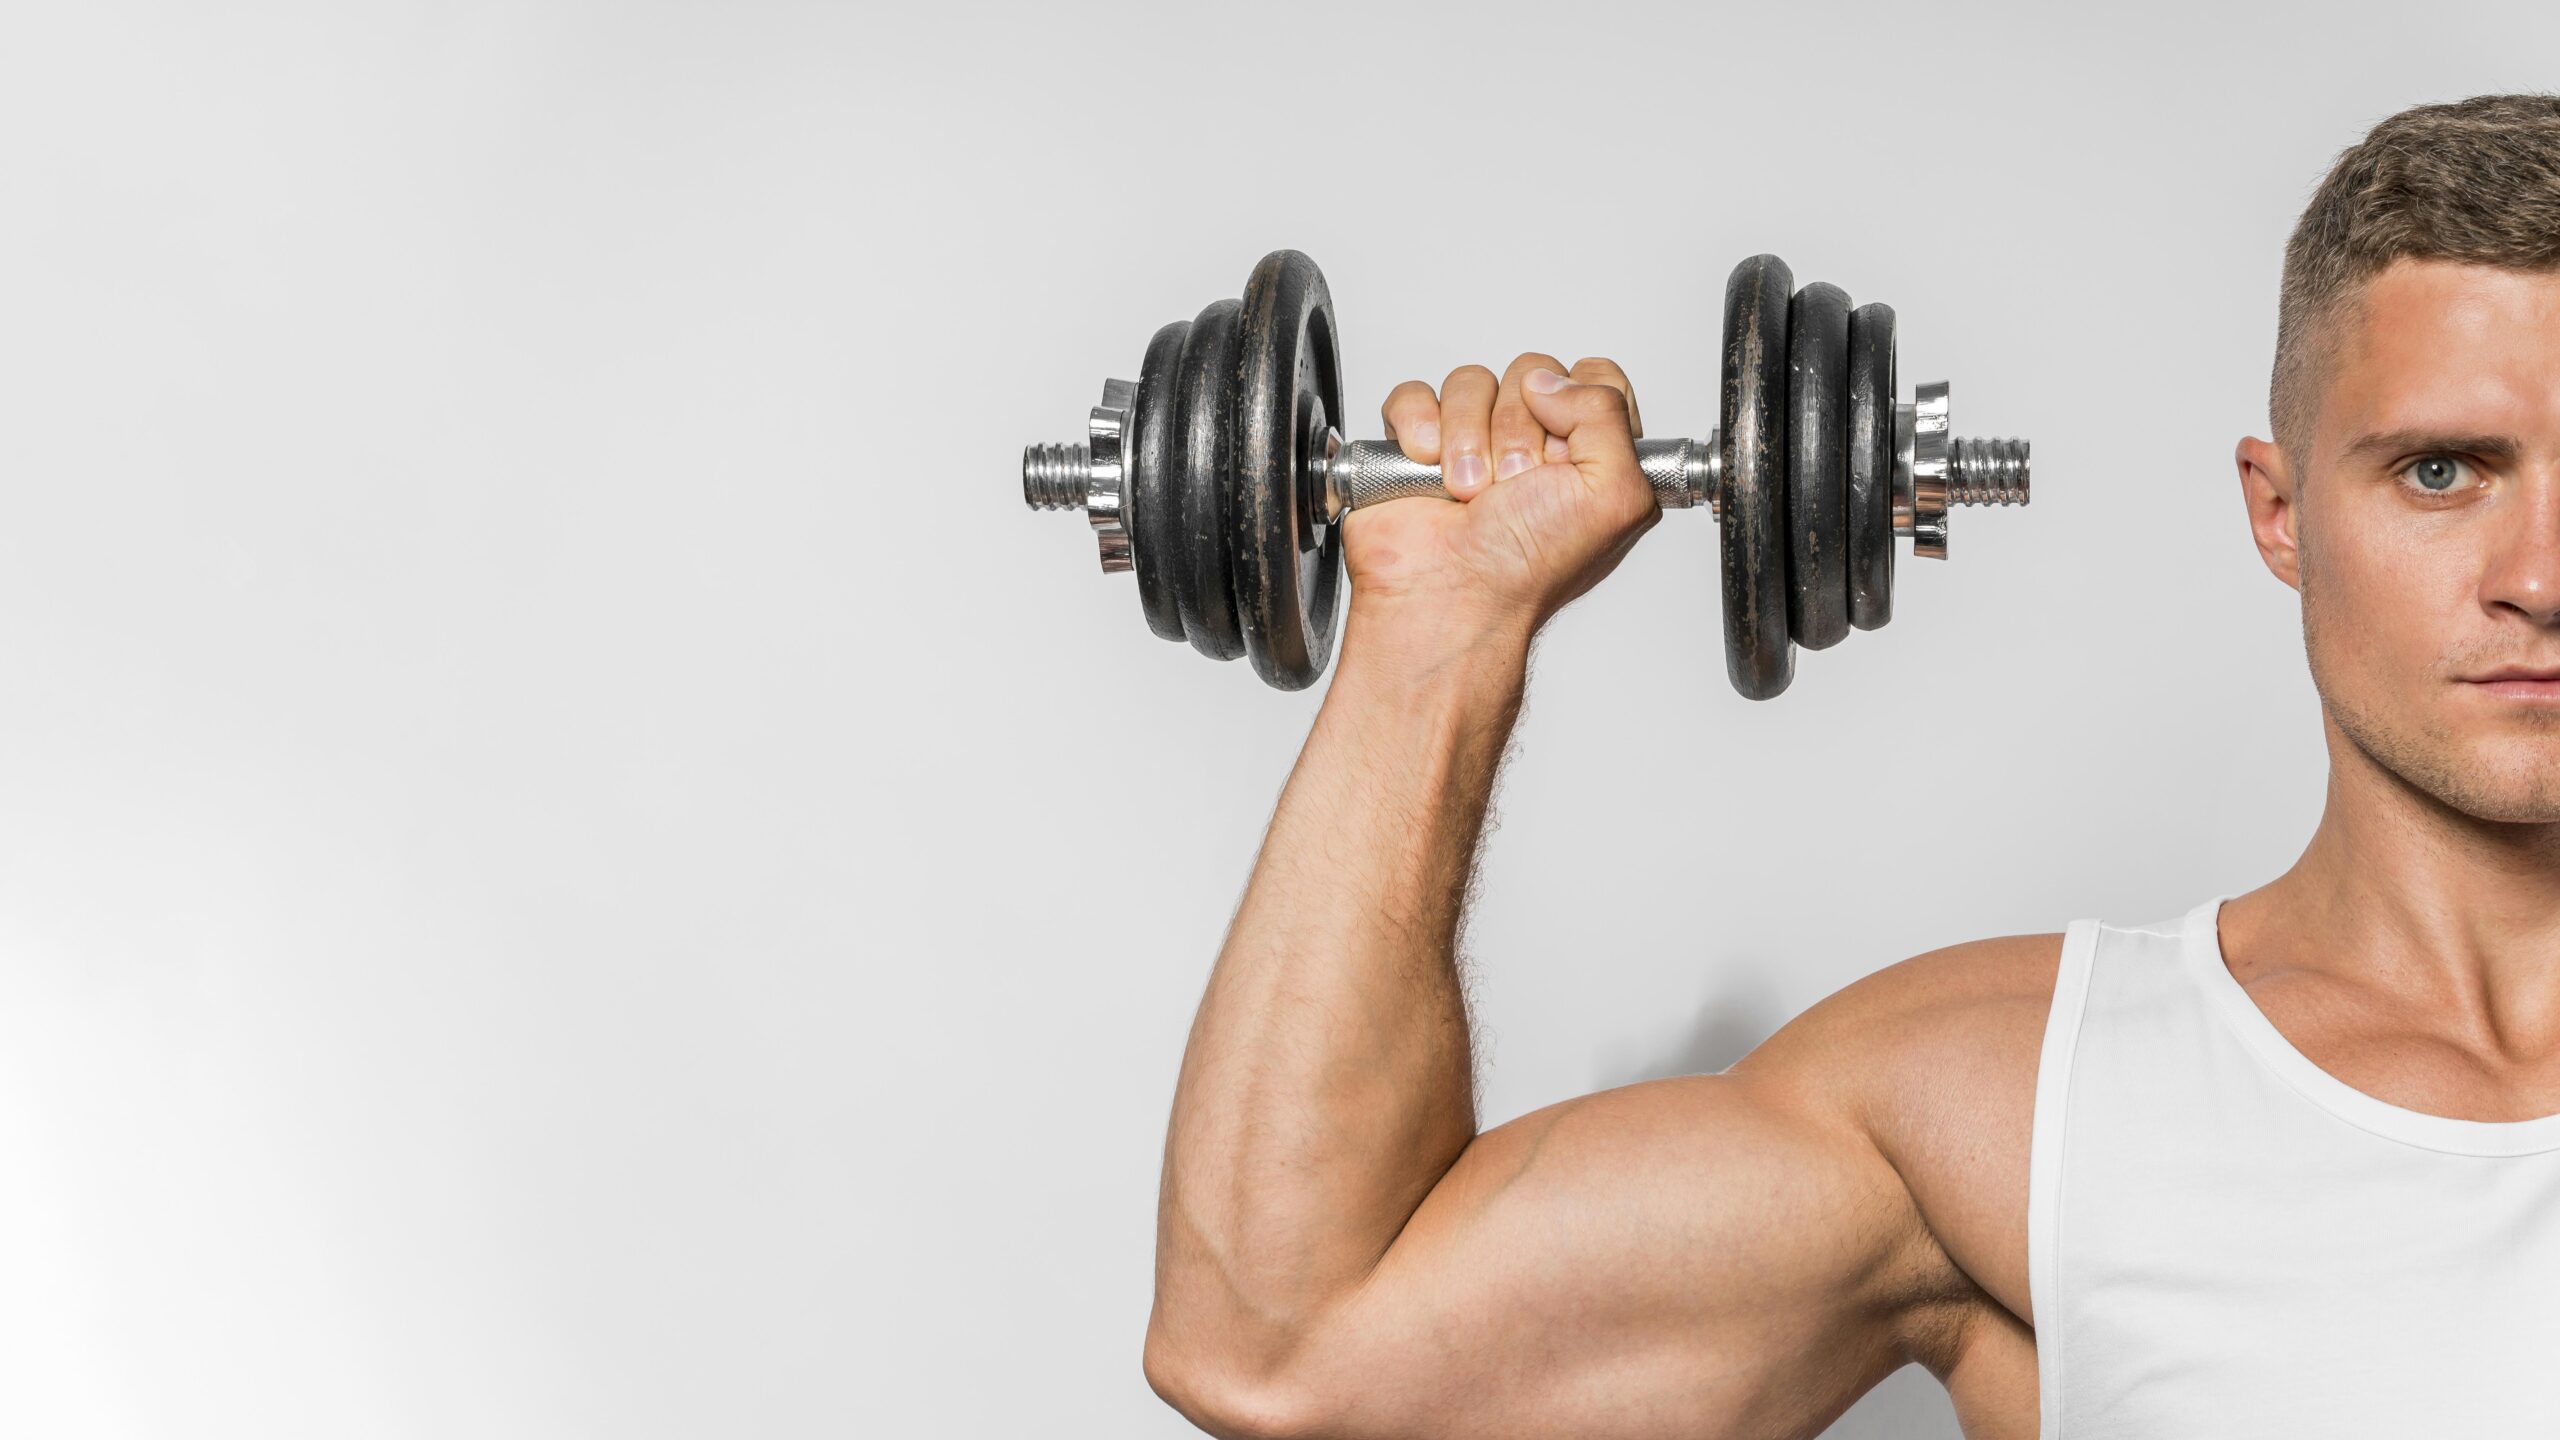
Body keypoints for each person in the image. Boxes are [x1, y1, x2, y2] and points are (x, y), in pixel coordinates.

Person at [1137, 93, 2560, 1438]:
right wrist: (1439, 633)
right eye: (2440, 472)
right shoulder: (2013, 1099)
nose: (2540, 580)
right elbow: (1285, 1351)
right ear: (2282, 513)